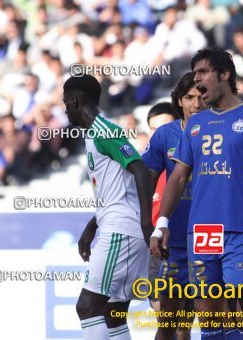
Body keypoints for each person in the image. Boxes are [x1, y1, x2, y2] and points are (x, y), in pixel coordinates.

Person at [151, 47, 243, 339]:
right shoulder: (197, 124)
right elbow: (178, 178)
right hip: (201, 233)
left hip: (242, 232)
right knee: (210, 322)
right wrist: (161, 223)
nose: (197, 80)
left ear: (224, 74)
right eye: (195, 73)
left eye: (202, 72)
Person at [64, 74, 154, 340]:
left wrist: (146, 223)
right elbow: (118, 188)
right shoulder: (96, 133)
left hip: (122, 230)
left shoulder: (104, 131)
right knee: (112, 315)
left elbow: (141, 170)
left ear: (75, 101)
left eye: (65, 103)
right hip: (117, 226)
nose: (64, 109)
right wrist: (92, 226)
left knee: (87, 307)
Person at [143, 72, 204, 339]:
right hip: (173, 240)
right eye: (189, 97)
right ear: (179, 101)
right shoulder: (165, 135)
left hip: (209, 240)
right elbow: (144, 181)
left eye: (201, 96)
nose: (196, 103)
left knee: (203, 322)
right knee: (169, 324)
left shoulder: (220, 129)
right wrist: (151, 226)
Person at [144, 102, 178, 316]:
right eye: (155, 130)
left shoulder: (192, 162)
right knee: (162, 312)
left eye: (165, 128)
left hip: (189, 243)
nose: (160, 135)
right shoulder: (143, 167)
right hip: (157, 246)